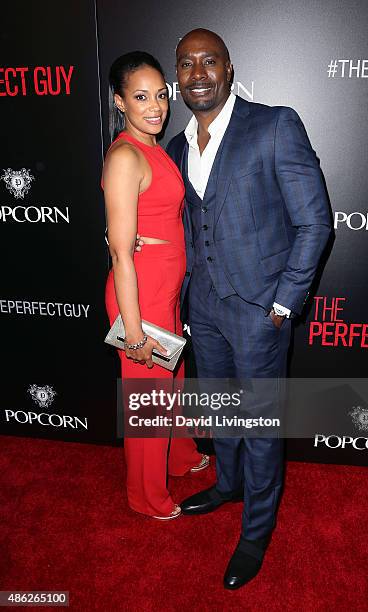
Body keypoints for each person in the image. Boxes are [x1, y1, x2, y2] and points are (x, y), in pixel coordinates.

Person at [140, 29, 331, 586]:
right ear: (178, 77)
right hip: (203, 307)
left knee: (261, 426)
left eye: (208, 62)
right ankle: (227, 483)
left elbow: (314, 222)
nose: (197, 73)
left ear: (228, 68)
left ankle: (256, 530)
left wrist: (284, 303)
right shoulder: (175, 146)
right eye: (186, 64)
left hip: (259, 311)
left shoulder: (274, 124)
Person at [103, 51, 208, 521]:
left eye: (161, 95)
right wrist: (135, 331)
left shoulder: (152, 146)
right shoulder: (126, 154)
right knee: (149, 403)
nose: (156, 106)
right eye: (141, 96)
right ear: (120, 101)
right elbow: (122, 253)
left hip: (165, 290)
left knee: (172, 384)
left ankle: (180, 456)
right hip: (140, 297)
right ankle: (145, 496)